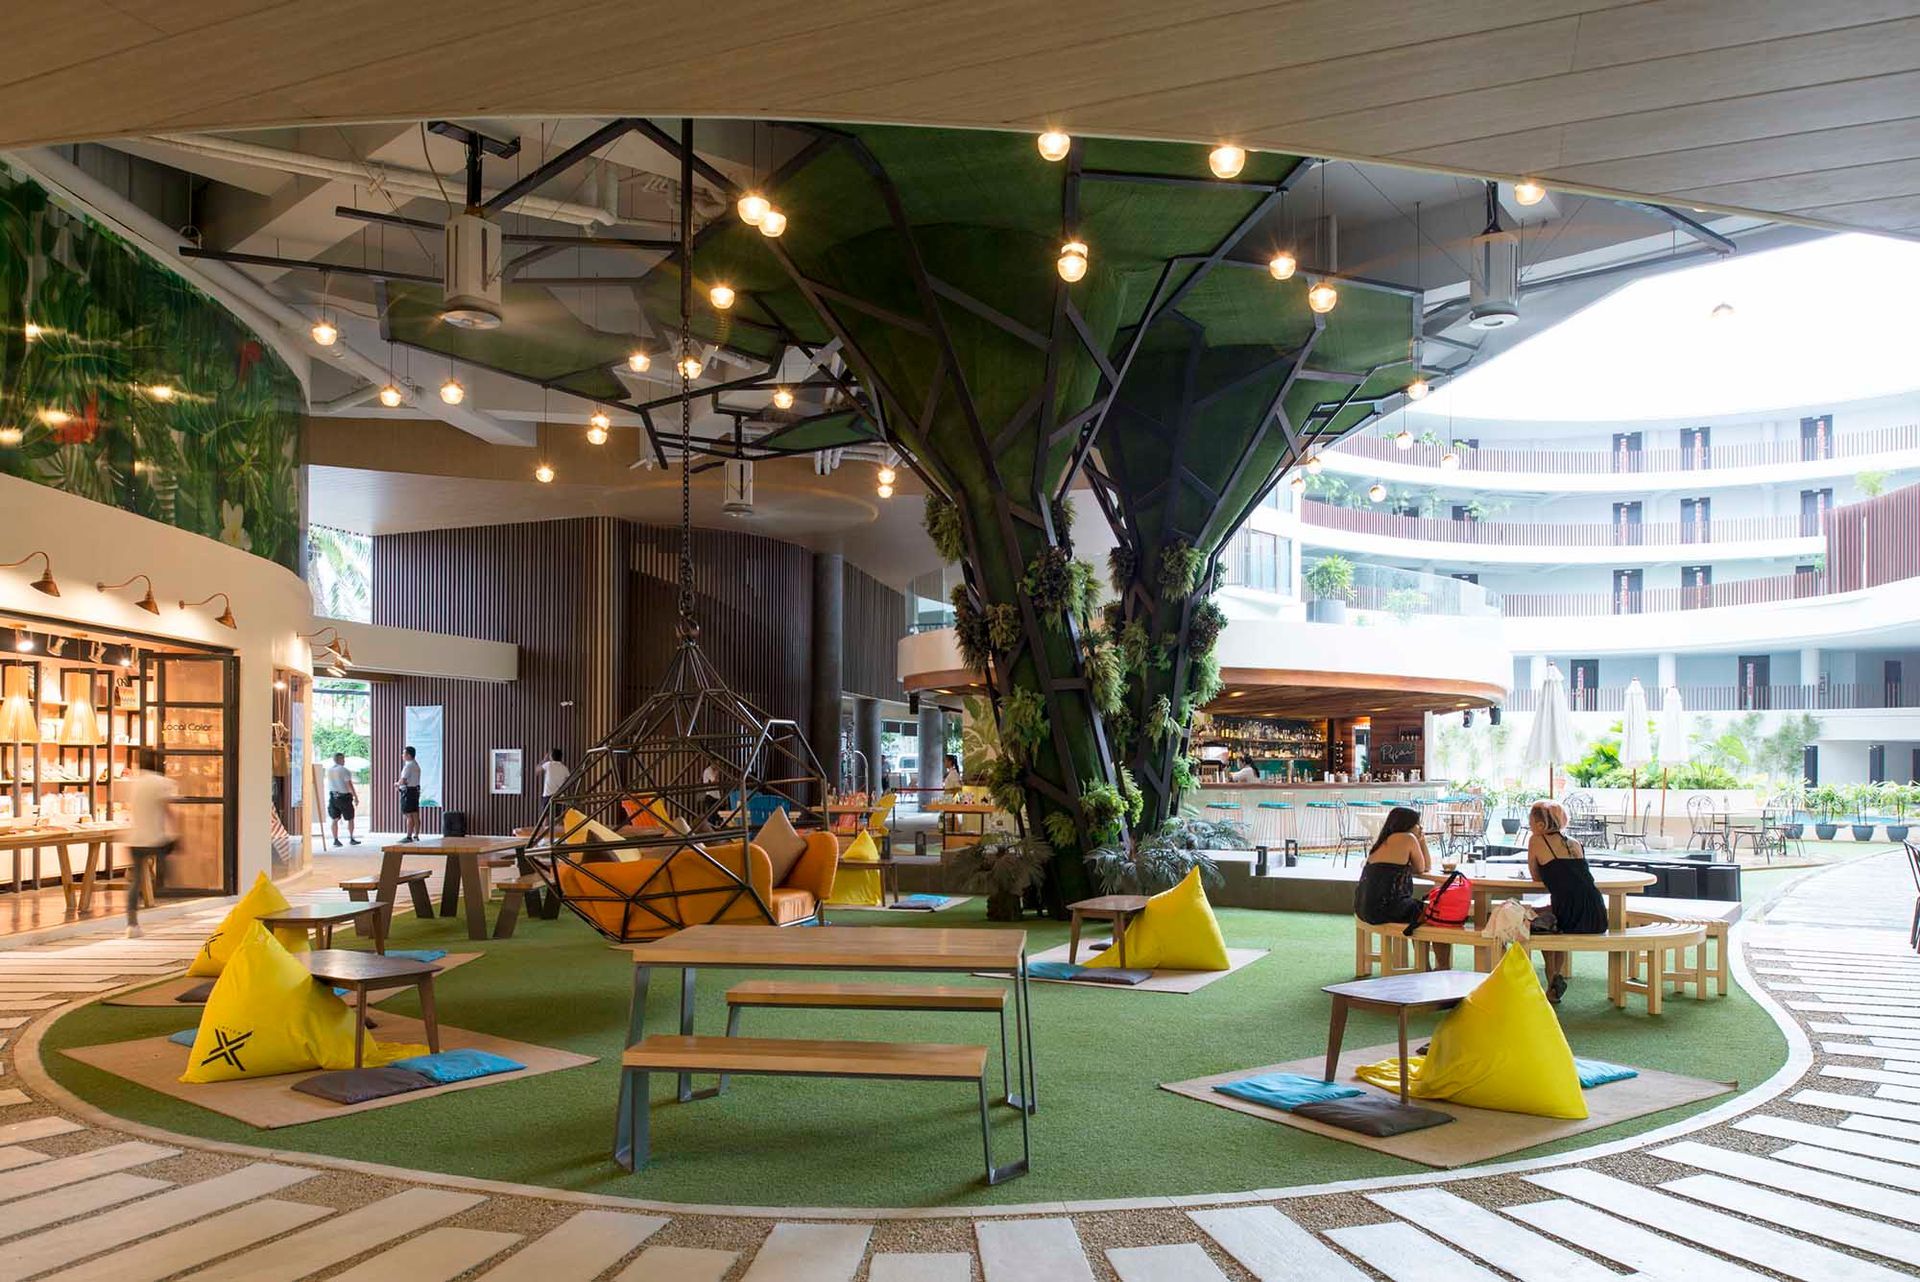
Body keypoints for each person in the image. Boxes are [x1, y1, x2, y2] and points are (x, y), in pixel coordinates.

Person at [1525, 799, 1608, 1004]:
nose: (1529, 826)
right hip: (1596, 912)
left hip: (1569, 913)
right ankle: (1555, 979)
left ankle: (1552, 978)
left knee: (1543, 923)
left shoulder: (1536, 840)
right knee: (1551, 916)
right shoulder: (1574, 843)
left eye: (1531, 822)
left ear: (1540, 824)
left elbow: (1536, 876)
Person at [119, 748, 176, 938]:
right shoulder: (161, 782)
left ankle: (132, 924)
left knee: (135, 881)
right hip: (155, 838)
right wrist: (176, 831)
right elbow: (167, 809)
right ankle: (171, 900)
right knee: (170, 866)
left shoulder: (134, 783)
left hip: (135, 839)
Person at [1353, 805, 1431, 926]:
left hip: (1363, 908)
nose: (1420, 827)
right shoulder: (1408, 838)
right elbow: (1423, 868)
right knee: (1433, 912)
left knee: (1419, 909)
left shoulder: (1381, 842)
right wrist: (1422, 841)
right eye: (1418, 824)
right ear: (1408, 824)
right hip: (1387, 908)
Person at [325, 752, 360, 847]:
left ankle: (335, 839)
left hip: (333, 797)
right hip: (344, 797)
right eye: (343, 759)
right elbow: (349, 785)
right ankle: (351, 838)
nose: (344, 761)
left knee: (335, 819)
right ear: (340, 759)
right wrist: (355, 797)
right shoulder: (344, 770)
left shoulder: (329, 771)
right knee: (350, 818)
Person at [395, 745, 422, 842]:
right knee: (415, 814)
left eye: (404, 753)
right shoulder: (416, 765)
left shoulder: (408, 766)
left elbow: (403, 780)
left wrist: (397, 784)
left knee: (409, 815)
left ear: (409, 755)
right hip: (415, 791)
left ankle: (409, 837)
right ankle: (416, 835)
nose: (402, 755)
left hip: (408, 792)